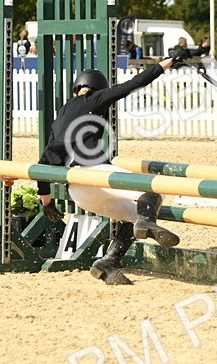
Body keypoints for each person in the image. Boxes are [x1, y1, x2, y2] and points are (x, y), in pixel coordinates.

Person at [36, 50, 188, 285]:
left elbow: (44, 163)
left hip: (79, 193)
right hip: (96, 175)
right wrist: (169, 62)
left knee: (131, 216)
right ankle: (146, 222)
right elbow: (135, 83)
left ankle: (108, 262)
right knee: (153, 191)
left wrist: (46, 202)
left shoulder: (59, 119)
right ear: (97, 89)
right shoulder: (93, 99)